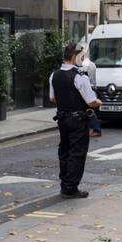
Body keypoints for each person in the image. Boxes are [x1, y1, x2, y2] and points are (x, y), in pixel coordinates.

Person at [49, 43, 101, 199]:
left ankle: (64, 184)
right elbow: (91, 101)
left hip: (62, 119)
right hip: (78, 120)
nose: (83, 59)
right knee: (76, 153)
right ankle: (70, 188)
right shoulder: (80, 76)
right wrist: (99, 102)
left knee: (64, 151)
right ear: (75, 57)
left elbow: (53, 99)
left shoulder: (54, 75)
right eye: (82, 56)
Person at [78, 46, 102, 137]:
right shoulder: (91, 64)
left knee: (88, 110)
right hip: (93, 88)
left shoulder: (84, 65)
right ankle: (92, 129)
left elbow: (83, 78)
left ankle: (96, 129)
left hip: (88, 88)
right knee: (87, 109)